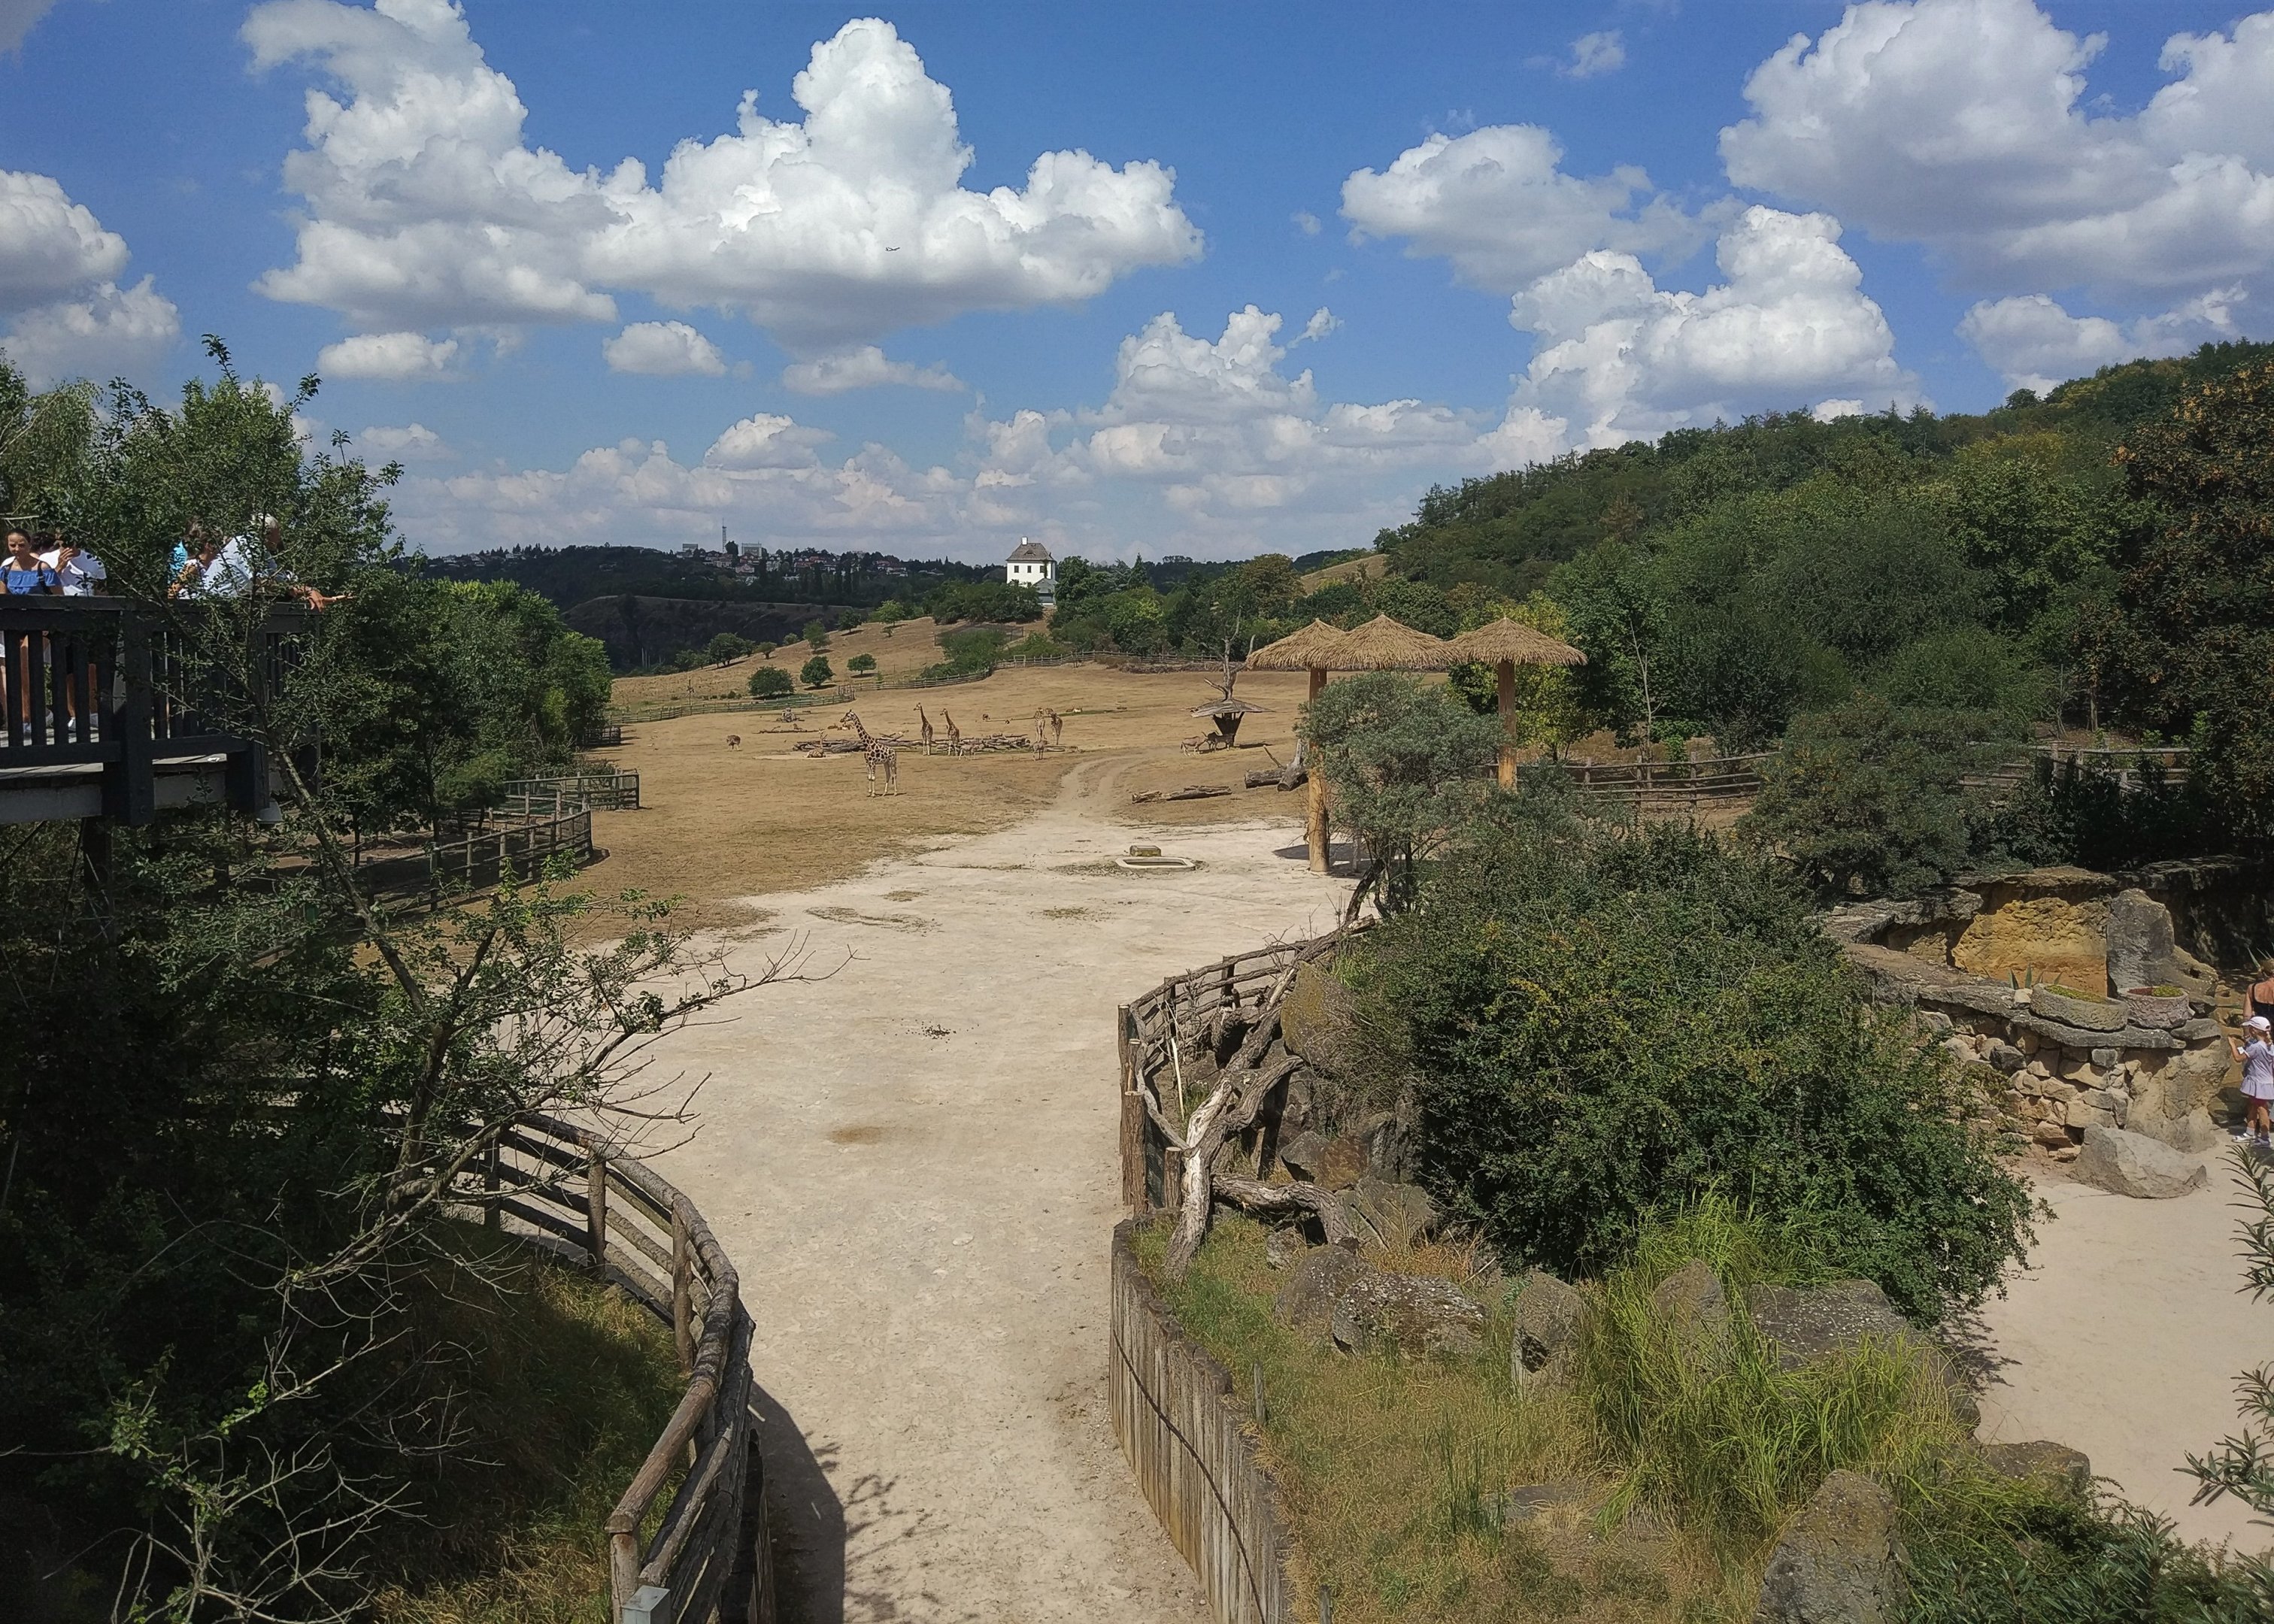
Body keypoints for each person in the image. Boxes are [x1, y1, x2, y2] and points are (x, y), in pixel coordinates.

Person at [2233, 1015, 2274, 1147]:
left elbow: (2238, 1058)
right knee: (2253, 1106)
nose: (2249, 1030)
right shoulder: (2270, 1046)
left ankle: (2265, 1138)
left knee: (2262, 1109)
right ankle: (2250, 1133)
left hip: (2259, 1084)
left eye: (2250, 1028)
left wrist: (2232, 1044)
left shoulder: (2256, 1047)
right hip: (2264, 1083)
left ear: (2255, 1030)